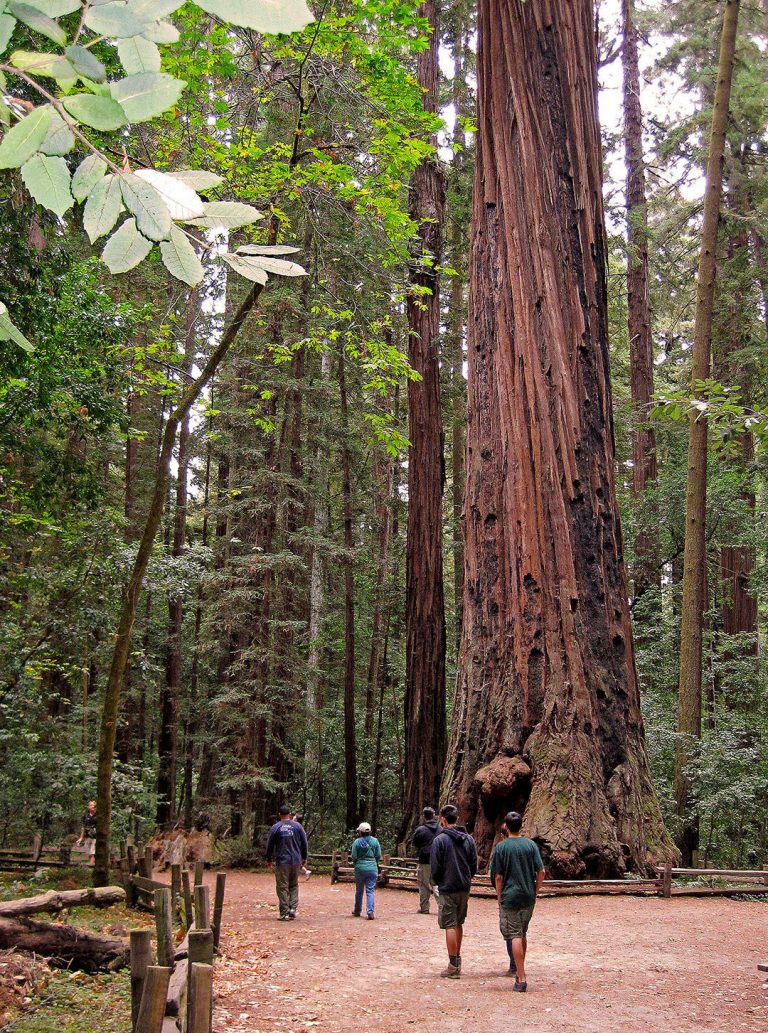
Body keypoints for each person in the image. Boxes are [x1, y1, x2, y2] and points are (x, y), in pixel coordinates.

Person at [489, 810, 545, 993]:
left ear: (505, 826)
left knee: (514, 935)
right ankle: (521, 968)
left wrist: (499, 897)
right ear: (522, 826)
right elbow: (541, 871)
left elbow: (498, 876)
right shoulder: (531, 845)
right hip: (528, 896)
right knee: (522, 933)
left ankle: (521, 977)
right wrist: (535, 890)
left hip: (509, 896)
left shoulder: (502, 847)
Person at [430, 804, 478, 978]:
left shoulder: (440, 840)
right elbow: (474, 865)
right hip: (464, 887)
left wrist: (438, 881)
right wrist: (466, 877)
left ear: (443, 819)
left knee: (449, 924)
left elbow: (435, 867)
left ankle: (452, 966)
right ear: (457, 819)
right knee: (458, 923)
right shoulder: (469, 839)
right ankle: (457, 959)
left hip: (448, 887)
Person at [265, 805, 309, 920]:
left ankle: (284, 912)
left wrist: (269, 859)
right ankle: (292, 908)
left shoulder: (276, 827)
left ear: (279, 814)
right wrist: (304, 857)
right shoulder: (298, 827)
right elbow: (304, 843)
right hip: (295, 860)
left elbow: (270, 845)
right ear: (289, 814)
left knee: (282, 886)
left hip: (282, 861)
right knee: (294, 885)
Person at [411, 806, 440, 914]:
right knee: (437, 884)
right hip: (437, 860)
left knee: (423, 884)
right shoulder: (441, 829)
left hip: (424, 860)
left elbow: (415, 843)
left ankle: (425, 908)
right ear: (434, 816)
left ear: (424, 817)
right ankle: (443, 907)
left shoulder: (420, 830)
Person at [350, 821, 382, 920]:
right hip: (372, 868)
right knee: (370, 891)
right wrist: (373, 863)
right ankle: (370, 912)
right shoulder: (375, 841)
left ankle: (357, 910)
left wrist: (357, 864)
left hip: (360, 868)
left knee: (359, 890)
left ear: (360, 832)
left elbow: (354, 856)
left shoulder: (357, 842)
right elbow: (378, 855)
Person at [292, 814, 312, 881]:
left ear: (296, 819)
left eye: (294, 817)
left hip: (298, 849)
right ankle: (306, 872)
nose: (293, 817)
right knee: (297, 863)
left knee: (296, 863)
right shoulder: (297, 827)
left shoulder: (298, 828)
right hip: (297, 848)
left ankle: (296, 876)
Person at [77, 800, 97, 866]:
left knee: (92, 852)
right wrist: (81, 837)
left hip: (95, 837)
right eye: (90, 805)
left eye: (92, 805)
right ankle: (92, 864)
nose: (91, 806)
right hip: (87, 836)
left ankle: (90, 866)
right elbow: (83, 826)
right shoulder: (86, 815)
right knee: (88, 851)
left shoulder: (98, 815)